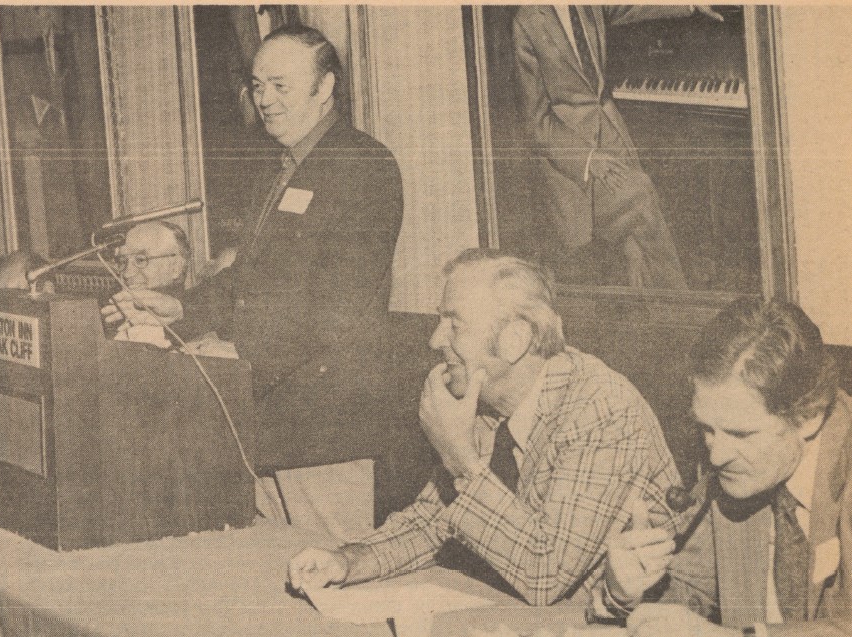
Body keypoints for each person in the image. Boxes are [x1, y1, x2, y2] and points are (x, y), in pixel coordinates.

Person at [101, 24, 404, 540]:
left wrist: (238, 354)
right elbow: (250, 278)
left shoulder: (363, 166)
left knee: (328, 574)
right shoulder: (280, 168)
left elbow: (338, 308)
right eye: (258, 85)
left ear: (326, 88)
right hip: (264, 415)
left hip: (327, 428)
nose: (264, 99)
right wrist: (181, 310)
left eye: (280, 85)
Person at [287, 249, 686, 606]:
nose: (434, 339)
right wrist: (345, 561)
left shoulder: (601, 410)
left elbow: (545, 575)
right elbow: (432, 524)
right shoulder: (485, 405)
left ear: (514, 339)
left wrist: (460, 459)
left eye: (453, 324)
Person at [593, 299, 850, 636]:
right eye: (707, 430)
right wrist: (623, 591)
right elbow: (686, 598)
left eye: (740, 433)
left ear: (808, 418)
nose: (716, 457)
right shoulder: (735, 479)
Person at [513, 6, 721, 289]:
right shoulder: (526, 22)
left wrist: (692, 4)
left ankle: (646, 289)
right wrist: (588, 159)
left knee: (646, 209)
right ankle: (679, 299)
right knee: (642, 194)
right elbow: (536, 124)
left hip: (609, 129)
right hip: (571, 160)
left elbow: (633, 5)